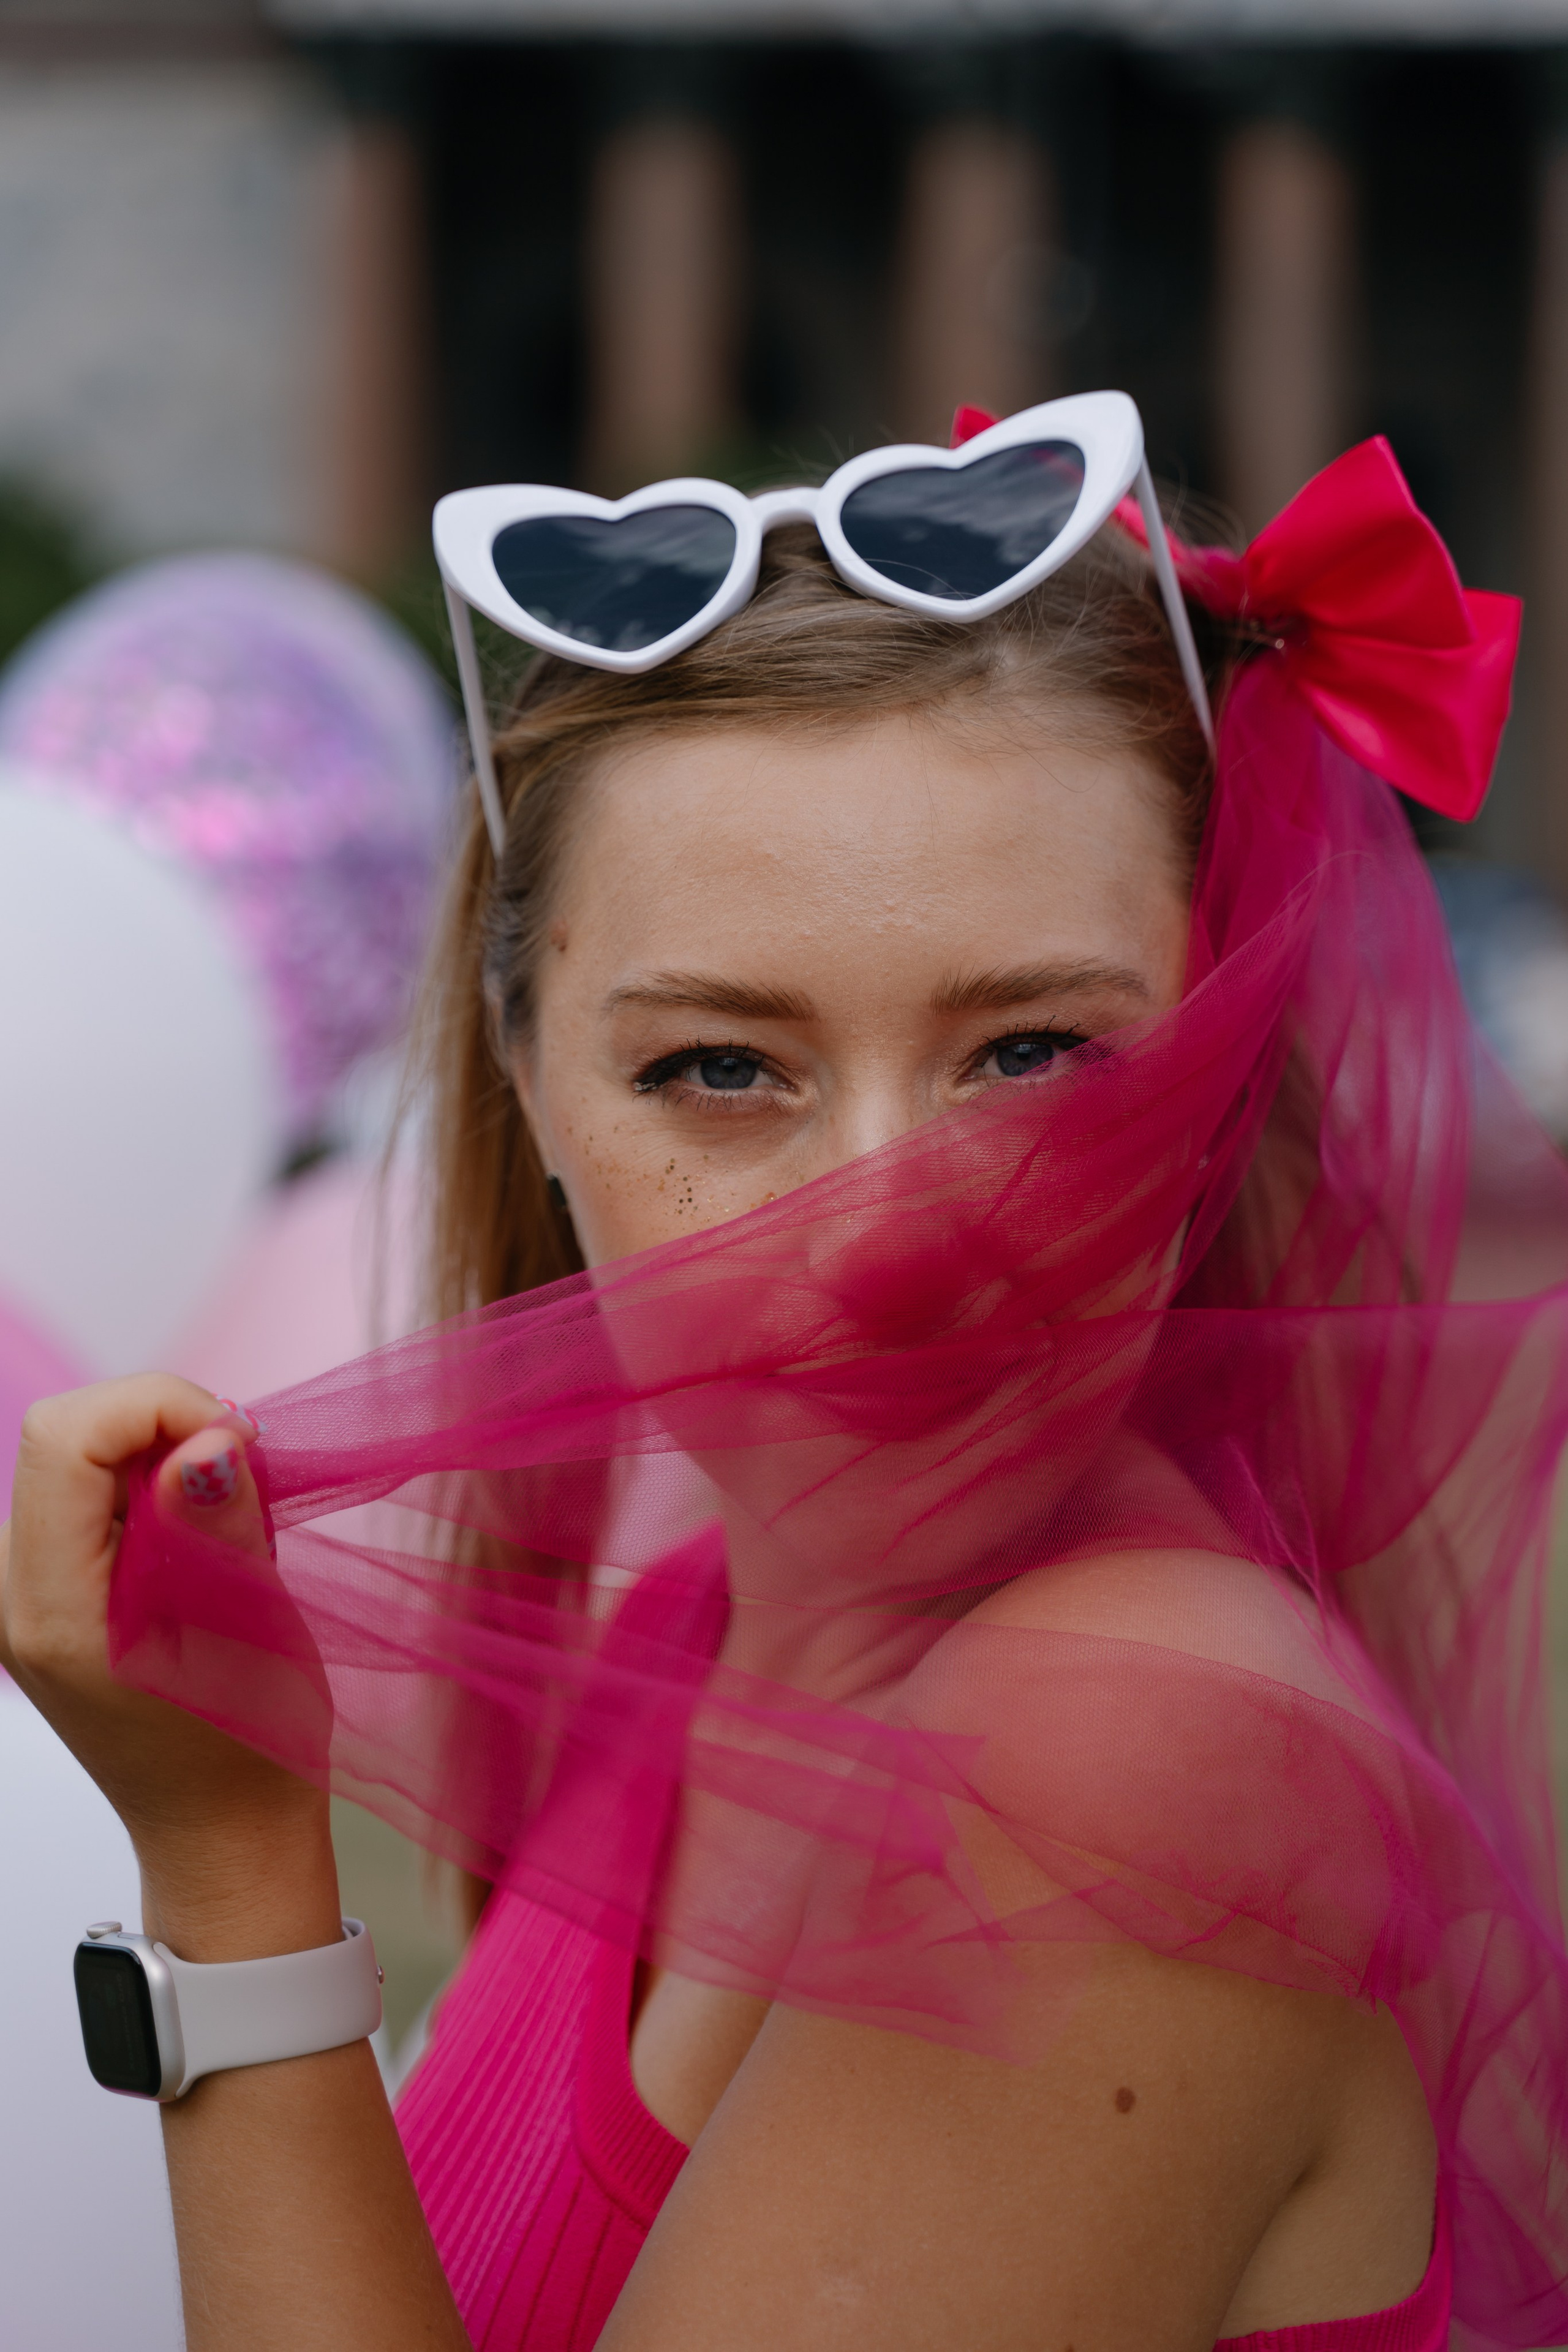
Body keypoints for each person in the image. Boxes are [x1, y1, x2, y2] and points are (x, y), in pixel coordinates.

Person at [3, 401, 1564, 2352]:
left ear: (1219, 1063)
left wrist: (232, 1878)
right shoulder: (687, 1632)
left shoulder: (1137, 1773)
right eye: (721, 1070)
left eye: (1035, 1057)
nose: (893, 1236)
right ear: (529, 1085)